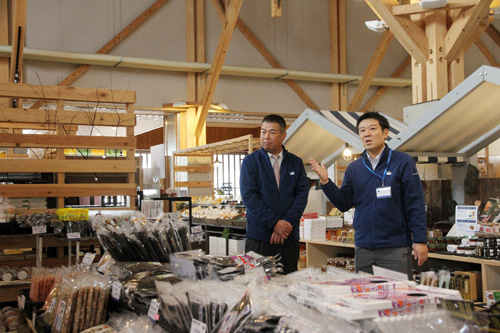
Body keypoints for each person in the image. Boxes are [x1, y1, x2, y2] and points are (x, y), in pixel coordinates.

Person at [309, 111, 428, 279]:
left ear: (385, 133)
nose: (367, 134)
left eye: (372, 129)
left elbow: (415, 203)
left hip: (395, 246)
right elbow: (344, 203)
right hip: (364, 247)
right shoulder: (355, 168)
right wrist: (327, 182)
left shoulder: (402, 161)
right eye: (362, 131)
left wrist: (420, 240)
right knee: (366, 297)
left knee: (397, 298)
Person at [240, 114, 309, 274]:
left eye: (272, 132)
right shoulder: (251, 162)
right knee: (257, 286)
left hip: (288, 237)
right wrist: (274, 224)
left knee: (288, 285)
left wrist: (285, 224)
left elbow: (301, 196)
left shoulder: (295, 162)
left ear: (283, 135)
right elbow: (250, 197)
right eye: (263, 132)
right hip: (259, 237)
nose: (266, 137)